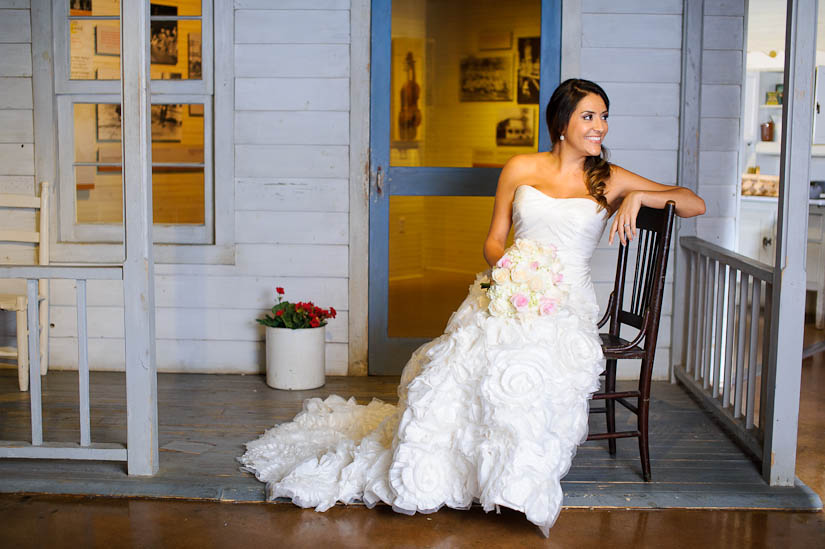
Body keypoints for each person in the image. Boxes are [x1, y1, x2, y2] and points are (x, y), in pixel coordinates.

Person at [239, 79, 706, 537]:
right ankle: (459, 473)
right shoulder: (521, 167)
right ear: (562, 123)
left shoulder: (608, 177)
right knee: (464, 361)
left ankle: (512, 483)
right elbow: (493, 240)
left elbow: (693, 202)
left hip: (566, 304)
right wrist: (510, 271)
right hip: (510, 288)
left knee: (527, 364)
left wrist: (642, 196)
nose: (600, 125)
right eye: (589, 116)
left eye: (604, 116)